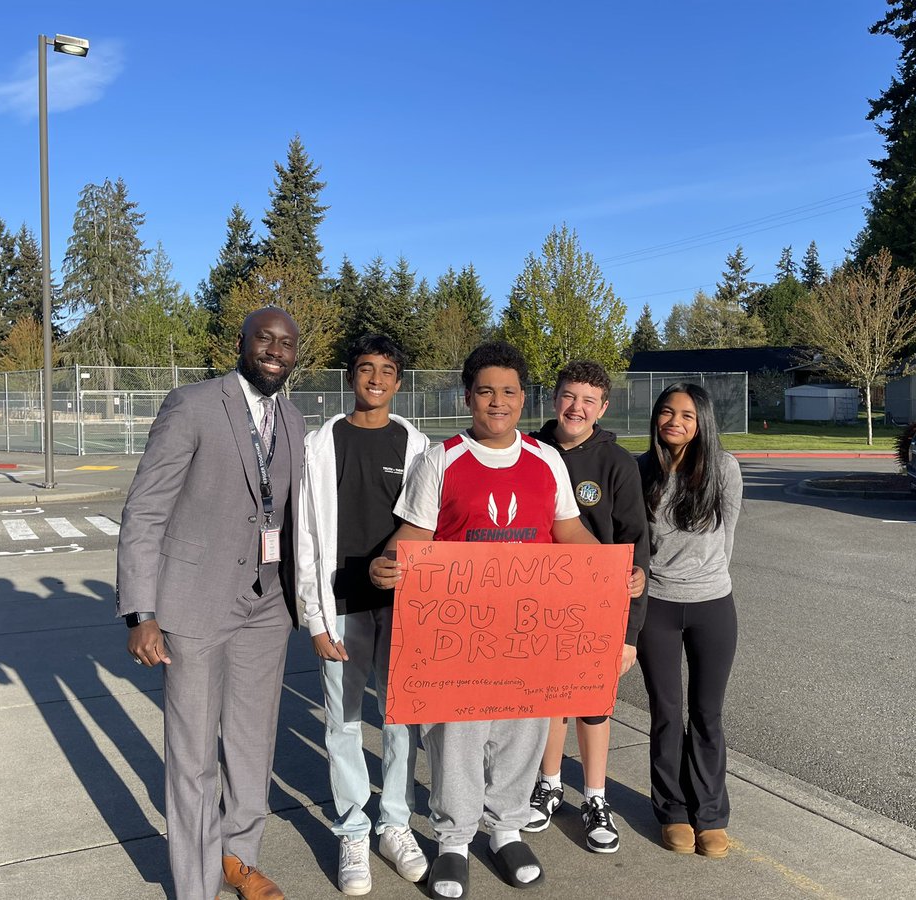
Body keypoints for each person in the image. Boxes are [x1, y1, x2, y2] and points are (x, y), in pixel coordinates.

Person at [369, 342, 644, 900]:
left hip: (528, 631)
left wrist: (610, 574)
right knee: (459, 738)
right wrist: (385, 565)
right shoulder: (441, 459)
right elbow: (416, 537)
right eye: (487, 390)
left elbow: (569, 532)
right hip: (459, 633)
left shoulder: (545, 461)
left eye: (510, 392)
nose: (498, 401)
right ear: (468, 395)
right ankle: (452, 840)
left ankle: (507, 829)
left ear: (524, 399)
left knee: (522, 732)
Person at [117, 306, 304, 900]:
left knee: (253, 746)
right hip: (194, 606)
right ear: (243, 343)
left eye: (286, 343)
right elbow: (146, 508)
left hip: (267, 606)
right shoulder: (193, 404)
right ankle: (194, 886)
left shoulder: (296, 421)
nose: (274, 350)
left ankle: (238, 860)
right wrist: (140, 612)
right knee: (193, 756)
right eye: (264, 339)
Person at [297, 334, 431, 896]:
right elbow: (306, 534)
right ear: (351, 375)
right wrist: (314, 618)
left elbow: (430, 532)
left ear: (399, 383)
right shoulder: (320, 444)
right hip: (342, 606)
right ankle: (353, 829)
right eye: (365, 368)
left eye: (387, 371)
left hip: (404, 611)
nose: (375, 378)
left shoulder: (421, 448)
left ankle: (394, 824)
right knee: (344, 725)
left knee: (401, 723)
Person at [523, 360, 649, 854]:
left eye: (588, 400)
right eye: (569, 396)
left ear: (603, 407)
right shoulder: (528, 450)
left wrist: (628, 633)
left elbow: (635, 549)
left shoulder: (616, 464)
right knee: (545, 700)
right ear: (554, 398)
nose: (577, 407)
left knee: (592, 704)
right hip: (535, 602)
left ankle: (596, 798)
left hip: (595, 608)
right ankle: (549, 785)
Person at [637, 382, 743, 859]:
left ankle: (711, 815)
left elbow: (729, 537)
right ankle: (673, 811)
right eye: (666, 412)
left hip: (712, 606)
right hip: (656, 605)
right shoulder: (641, 470)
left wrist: (707, 580)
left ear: (702, 421)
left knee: (707, 715)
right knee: (666, 714)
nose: (674, 422)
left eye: (686, 414)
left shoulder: (724, 469)